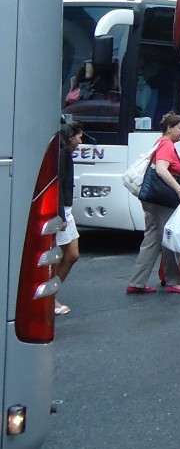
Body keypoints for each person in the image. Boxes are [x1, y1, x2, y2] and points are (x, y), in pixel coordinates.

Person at [127, 113, 180, 294]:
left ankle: (137, 282)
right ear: (169, 129)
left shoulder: (160, 143)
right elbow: (162, 170)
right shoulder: (167, 145)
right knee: (171, 238)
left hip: (151, 199)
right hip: (163, 201)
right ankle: (174, 281)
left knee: (151, 238)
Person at [54, 121, 85, 315]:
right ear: (71, 136)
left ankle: (50, 294)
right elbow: (56, 183)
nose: (80, 141)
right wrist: (60, 214)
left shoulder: (64, 152)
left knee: (72, 254)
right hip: (62, 210)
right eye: (79, 136)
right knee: (66, 254)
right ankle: (49, 297)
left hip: (65, 209)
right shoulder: (62, 153)